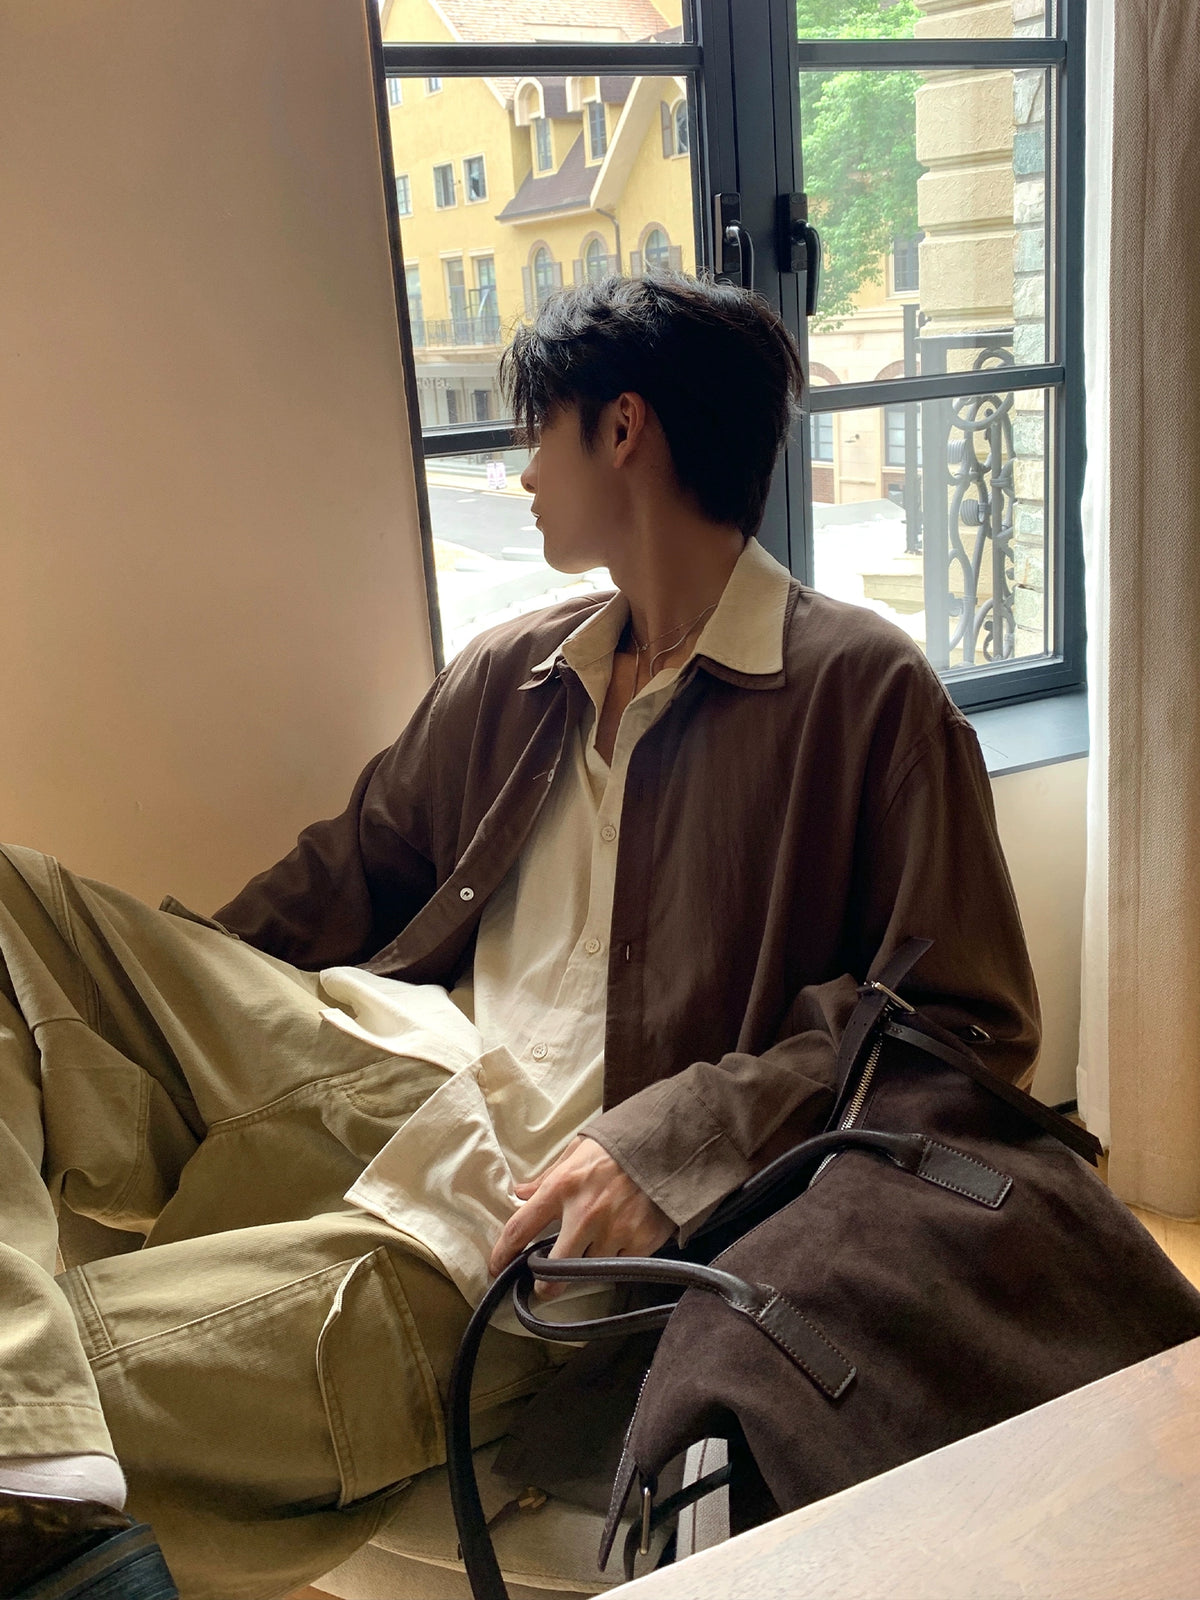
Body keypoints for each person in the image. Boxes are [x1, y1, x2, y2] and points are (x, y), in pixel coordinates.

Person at [0, 275, 1039, 1600]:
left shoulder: (862, 695)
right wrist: (136, 1010)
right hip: (377, 1064)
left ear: (624, 429)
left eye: (535, 432)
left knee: (43, 1406)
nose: (524, 472)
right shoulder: (518, 673)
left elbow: (964, 1030)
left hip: (527, 1215)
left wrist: (677, 1141)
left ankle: (47, 1488)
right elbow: (349, 872)